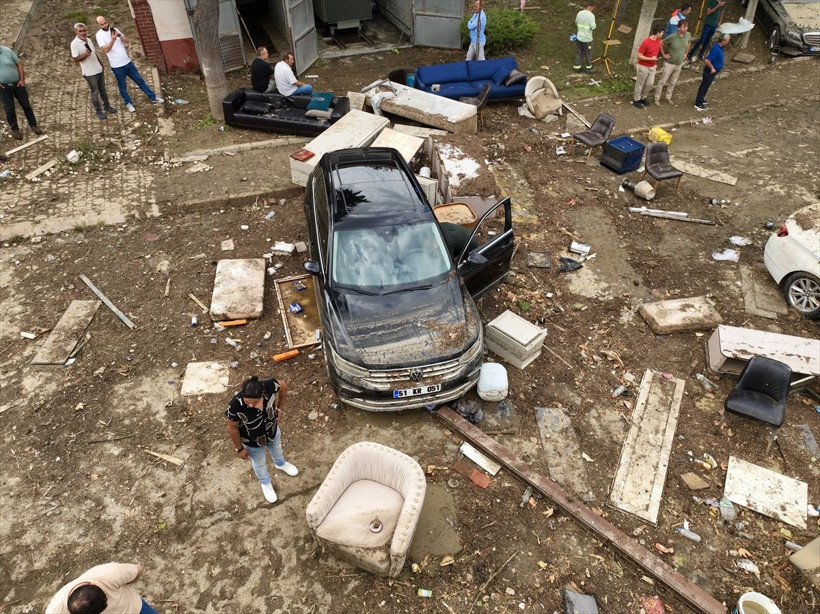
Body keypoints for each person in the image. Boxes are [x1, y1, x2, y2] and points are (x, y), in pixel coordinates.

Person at [225, 375, 298, 503]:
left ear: (262, 394)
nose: (251, 406)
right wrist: (239, 449)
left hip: (272, 431)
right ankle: (265, 483)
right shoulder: (235, 406)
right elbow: (232, 428)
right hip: (252, 441)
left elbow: (283, 386)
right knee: (259, 462)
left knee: (277, 449)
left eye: (254, 402)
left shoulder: (269, 386)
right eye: (248, 402)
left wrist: (280, 408)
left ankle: (280, 464)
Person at [94, 16, 163, 112]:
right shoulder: (99, 35)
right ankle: (128, 103)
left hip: (127, 62)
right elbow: (106, 50)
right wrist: (112, 40)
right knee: (122, 86)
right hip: (117, 66)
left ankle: (152, 97)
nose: (105, 25)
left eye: (105, 23)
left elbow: (127, 40)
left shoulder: (114, 29)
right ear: (98, 25)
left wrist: (119, 35)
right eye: (102, 24)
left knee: (140, 80)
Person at [45, 562, 157, 614]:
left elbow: (138, 570)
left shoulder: (109, 573)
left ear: (93, 584)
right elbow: (138, 570)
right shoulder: (54, 611)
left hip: (136, 610)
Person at [70, 23, 117, 120]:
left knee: (103, 90)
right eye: (80, 31)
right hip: (89, 73)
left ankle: (107, 106)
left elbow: (94, 54)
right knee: (95, 92)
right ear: (76, 32)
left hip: (98, 69)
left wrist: (101, 65)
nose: (83, 33)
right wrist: (85, 55)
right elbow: (75, 59)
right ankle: (98, 111)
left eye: (84, 30)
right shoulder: (74, 44)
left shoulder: (89, 40)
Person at [0, 45, 42, 141]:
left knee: (26, 105)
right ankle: (15, 129)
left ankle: (33, 125)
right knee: (9, 109)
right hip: (3, 88)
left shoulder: (7, 51)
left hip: (17, 84)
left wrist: (22, 80)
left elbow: (19, 64)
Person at [655, 19, 692, 105]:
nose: (686, 29)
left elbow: (689, 43)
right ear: (678, 28)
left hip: (679, 63)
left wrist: (686, 53)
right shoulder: (672, 37)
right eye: (684, 27)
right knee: (662, 81)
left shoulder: (688, 35)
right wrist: (664, 54)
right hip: (669, 63)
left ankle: (668, 97)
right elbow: (662, 43)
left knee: (673, 82)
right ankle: (657, 98)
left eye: (686, 27)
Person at [632, 24, 666, 109]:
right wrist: (650, 59)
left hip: (652, 66)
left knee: (650, 84)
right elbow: (639, 56)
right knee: (640, 83)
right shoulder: (646, 42)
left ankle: (643, 97)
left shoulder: (659, 41)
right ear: (658, 33)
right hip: (643, 66)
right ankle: (636, 99)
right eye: (662, 32)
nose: (663, 34)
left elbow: (660, 46)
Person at [695, 33, 730, 111]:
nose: (728, 41)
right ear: (723, 40)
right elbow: (707, 60)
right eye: (728, 40)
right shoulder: (716, 49)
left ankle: (702, 98)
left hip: (713, 72)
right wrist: (712, 68)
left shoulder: (720, 47)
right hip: (709, 71)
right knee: (704, 86)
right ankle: (698, 103)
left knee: (706, 85)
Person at [573, 1, 597, 73]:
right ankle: (588, 68)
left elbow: (576, 22)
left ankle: (577, 67)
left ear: (588, 5)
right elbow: (593, 27)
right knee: (588, 53)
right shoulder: (591, 15)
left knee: (579, 52)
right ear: (593, 7)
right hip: (587, 39)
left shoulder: (580, 13)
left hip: (579, 37)